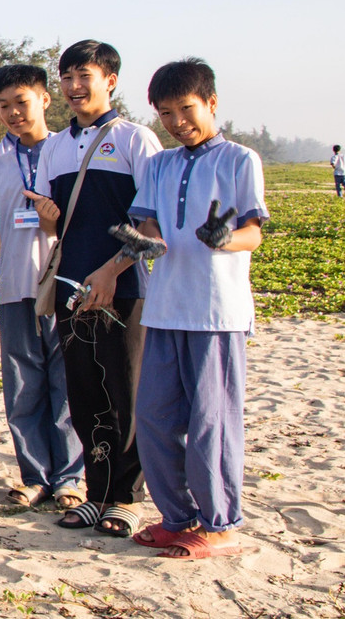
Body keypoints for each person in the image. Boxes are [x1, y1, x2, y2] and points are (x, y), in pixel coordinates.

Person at [120, 59, 265, 559]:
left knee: (211, 423)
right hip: (163, 309)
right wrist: (145, 242)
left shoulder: (240, 160)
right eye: (166, 112)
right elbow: (152, 226)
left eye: (187, 109)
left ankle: (219, 523)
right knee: (156, 418)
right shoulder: (159, 165)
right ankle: (177, 517)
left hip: (216, 313)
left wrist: (225, 240)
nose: (178, 121)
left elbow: (254, 231)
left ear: (211, 103)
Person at [28, 39, 162, 537]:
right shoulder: (57, 147)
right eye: (67, 77)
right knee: (83, 391)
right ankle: (96, 490)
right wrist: (47, 219)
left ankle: (126, 497)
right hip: (72, 288)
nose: (74, 86)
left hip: (124, 287)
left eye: (85, 75)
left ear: (110, 80)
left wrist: (111, 271)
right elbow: (56, 230)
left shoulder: (136, 140)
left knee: (125, 389)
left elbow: (150, 226)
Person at [0, 65, 84, 510]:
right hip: (16, 287)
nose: (12, 113)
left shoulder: (70, 151)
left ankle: (69, 478)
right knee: (23, 383)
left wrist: (53, 219)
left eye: (21, 102)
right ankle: (34, 476)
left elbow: (78, 222)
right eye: (2, 106)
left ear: (45, 99)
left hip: (64, 285)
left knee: (66, 382)